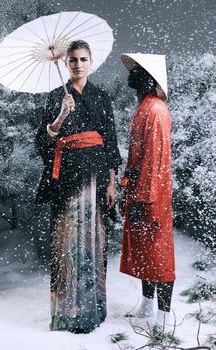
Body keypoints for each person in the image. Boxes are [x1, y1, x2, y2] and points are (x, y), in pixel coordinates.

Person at [35, 40, 122, 333]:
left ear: (91, 61)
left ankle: (93, 310)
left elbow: (110, 143)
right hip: (68, 179)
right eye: (72, 59)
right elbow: (43, 142)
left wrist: (112, 183)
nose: (77, 64)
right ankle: (66, 313)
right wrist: (61, 115)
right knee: (65, 240)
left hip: (97, 177)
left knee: (95, 238)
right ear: (66, 63)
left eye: (83, 59)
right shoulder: (54, 97)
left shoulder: (102, 97)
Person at [119, 53, 175, 333]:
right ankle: (146, 303)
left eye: (137, 70)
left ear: (148, 78)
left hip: (153, 193)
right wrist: (128, 184)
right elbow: (139, 156)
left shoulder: (155, 110)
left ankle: (163, 318)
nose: (131, 73)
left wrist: (145, 198)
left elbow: (155, 161)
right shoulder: (145, 106)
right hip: (142, 189)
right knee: (144, 249)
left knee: (160, 253)